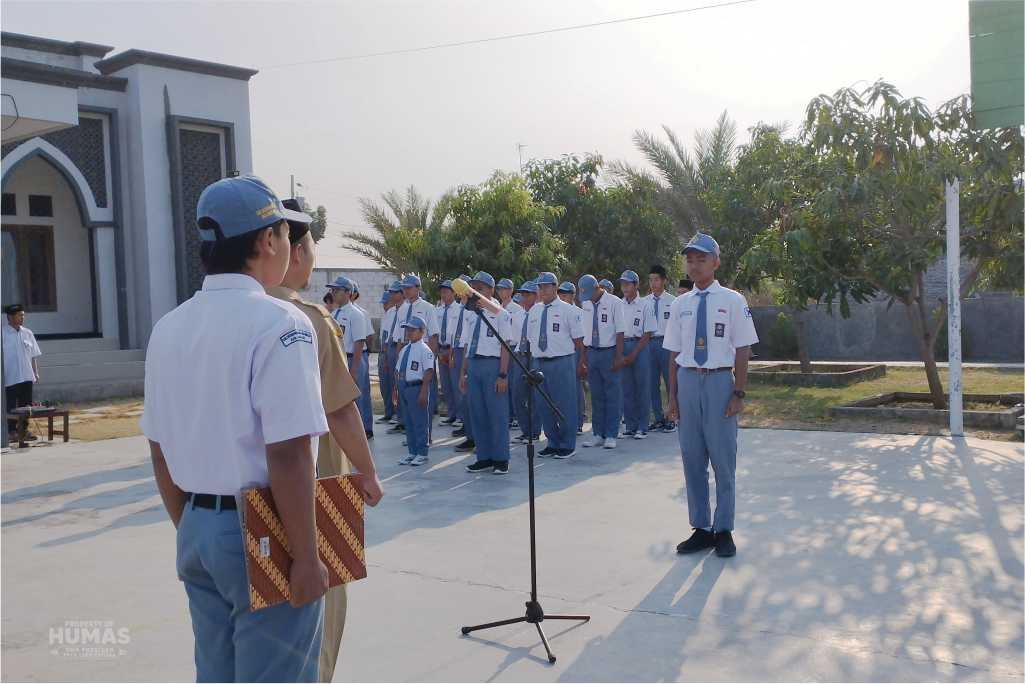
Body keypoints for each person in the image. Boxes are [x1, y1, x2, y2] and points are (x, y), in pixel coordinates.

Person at [141, 175, 328, 681]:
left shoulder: (170, 327)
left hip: (197, 525)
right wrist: (307, 558)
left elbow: (159, 450)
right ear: (267, 241)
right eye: (288, 235)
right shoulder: (281, 323)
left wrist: (199, 527)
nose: (290, 247)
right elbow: (288, 453)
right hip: (263, 528)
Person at [267, 200, 384, 681]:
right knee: (318, 629)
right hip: (315, 495)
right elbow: (340, 409)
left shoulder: (213, 316)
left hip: (244, 501)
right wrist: (369, 472)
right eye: (312, 246)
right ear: (293, 252)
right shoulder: (309, 319)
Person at [665, 232, 758, 559]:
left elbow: (743, 349)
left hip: (720, 383)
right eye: (689, 259)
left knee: (722, 459)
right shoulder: (680, 304)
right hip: (689, 381)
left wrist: (738, 392)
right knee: (692, 458)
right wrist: (673, 397)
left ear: (715, 262)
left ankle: (724, 529)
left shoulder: (733, 301)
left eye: (701, 259)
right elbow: (673, 353)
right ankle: (701, 528)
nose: (694, 265)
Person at [459, 271, 513, 474]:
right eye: (473, 288)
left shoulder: (501, 314)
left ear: (491, 290)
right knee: (478, 414)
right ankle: (484, 456)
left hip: (492, 366)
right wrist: (463, 373)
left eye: (480, 288)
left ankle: (501, 458)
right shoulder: (469, 313)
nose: (476, 291)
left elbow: (505, 346)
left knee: (497, 414)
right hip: (474, 365)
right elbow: (466, 345)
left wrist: (503, 375)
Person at [527, 273, 585, 458]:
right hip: (540, 362)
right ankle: (552, 442)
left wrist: (581, 363)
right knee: (544, 405)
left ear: (555, 287)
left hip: (562, 361)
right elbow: (531, 338)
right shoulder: (534, 311)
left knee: (565, 404)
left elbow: (579, 341)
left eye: (546, 286)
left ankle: (567, 444)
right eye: (540, 287)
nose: (542, 290)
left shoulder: (569, 310)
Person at [578, 274, 626, 449]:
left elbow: (620, 331)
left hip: (609, 351)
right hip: (592, 352)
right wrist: (583, 357)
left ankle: (611, 434)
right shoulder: (586, 304)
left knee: (612, 394)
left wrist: (619, 356)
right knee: (596, 395)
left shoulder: (614, 302)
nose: (587, 298)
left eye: (589, 293)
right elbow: (585, 332)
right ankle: (598, 433)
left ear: (598, 288)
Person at [328, 277, 374, 439]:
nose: (333, 293)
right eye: (332, 290)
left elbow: (359, 342)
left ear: (348, 293)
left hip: (353, 358)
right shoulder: (334, 314)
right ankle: (348, 430)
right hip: (340, 360)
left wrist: (354, 370)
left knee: (358, 397)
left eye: (337, 290)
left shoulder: (356, 314)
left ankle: (362, 431)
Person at [393, 275, 440, 433]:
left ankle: (425, 435)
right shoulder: (402, 309)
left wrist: (430, 361)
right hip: (406, 352)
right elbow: (399, 337)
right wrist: (399, 359)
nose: (405, 291)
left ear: (418, 288)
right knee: (407, 395)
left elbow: (433, 335)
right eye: (404, 288)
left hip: (421, 351)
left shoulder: (428, 308)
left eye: (409, 287)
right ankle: (411, 432)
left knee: (423, 395)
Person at [618, 270, 657, 439]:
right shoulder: (618, 304)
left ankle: (642, 426)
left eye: (628, 284)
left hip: (640, 346)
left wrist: (634, 353)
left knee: (642, 387)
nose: (625, 287)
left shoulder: (645, 305)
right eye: (623, 284)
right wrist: (619, 353)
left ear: (636, 285)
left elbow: (647, 333)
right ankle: (631, 425)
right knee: (627, 388)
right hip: (623, 345)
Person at [394, 315, 435, 466]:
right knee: (409, 422)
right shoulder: (405, 349)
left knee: (420, 422)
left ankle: (422, 452)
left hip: (417, 387)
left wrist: (424, 391)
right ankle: (412, 452)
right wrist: (396, 389)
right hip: (404, 387)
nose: (409, 332)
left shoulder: (425, 350)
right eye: (407, 329)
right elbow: (398, 370)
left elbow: (429, 371)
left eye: (412, 329)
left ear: (422, 331)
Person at [646, 265, 677, 433]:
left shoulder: (673, 301)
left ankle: (671, 417)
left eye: (656, 279)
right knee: (652, 383)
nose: (653, 283)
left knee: (670, 381)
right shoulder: (644, 302)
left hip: (667, 343)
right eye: (650, 280)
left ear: (664, 280)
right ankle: (657, 418)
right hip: (650, 343)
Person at [3, 304, 41, 439]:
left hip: (26, 376)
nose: (22, 317)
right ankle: (11, 432)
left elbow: (33, 355)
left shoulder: (28, 333)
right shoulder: (3, 334)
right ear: (10, 317)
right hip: (10, 377)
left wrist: (35, 373)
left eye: (23, 315)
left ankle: (24, 431)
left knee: (27, 406)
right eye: (20, 315)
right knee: (11, 407)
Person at [510, 280, 541, 444]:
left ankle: (535, 431)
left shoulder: (539, 312)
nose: (523, 297)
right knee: (517, 394)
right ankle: (525, 430)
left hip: (534, 355)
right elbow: (513, 338)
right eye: (522, 294)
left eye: (527, 294)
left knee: (535, 395)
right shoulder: (517, 315)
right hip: (520, 355)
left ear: (536, 296)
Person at [558, 282, 587, 435]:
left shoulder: (578, 312)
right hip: (562, 353)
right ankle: (565, 420)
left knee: (576, 387)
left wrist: (583, 360)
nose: (562, 296)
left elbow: (582, 339)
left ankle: (579, 421)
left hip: (575, 351)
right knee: (562, 389)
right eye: (560, 293)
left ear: (573, 295)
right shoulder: (558, 310)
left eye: (565, 294)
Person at [451, 274, 474, 449]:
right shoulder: (457, 307)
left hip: (470, 352)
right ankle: (468, 430)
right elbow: (454, 333)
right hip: (457, 350)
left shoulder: (475, 309)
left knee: (470, 396)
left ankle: (474, 435)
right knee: (461, 393)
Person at [435, 280, 462, 426]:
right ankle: (451, 414)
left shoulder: (459, 310)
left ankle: (460, 416)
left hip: (453, 350)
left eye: (446, 291)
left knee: (455, 383)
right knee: (445, 385)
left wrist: (450, 354)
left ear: (454, 293)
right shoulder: (437, 310)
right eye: (442, 291)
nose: (443, 294)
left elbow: (456, 333)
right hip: (441, 349)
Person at [496, 278, 522, 429]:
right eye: (499, 289)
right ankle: (508, 415)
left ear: (511, 290)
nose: (501, 292)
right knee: (503, 383)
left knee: (512, 383)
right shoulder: (496, 307)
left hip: (512, 348)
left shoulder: (516, 309)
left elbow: (518, 332)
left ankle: (516, 416)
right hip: (499, 348)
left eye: (504, 289)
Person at [379, 281, 404, 426]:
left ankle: (399, 415)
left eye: (395, 293)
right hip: (388, 348)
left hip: (399, 347)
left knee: (398, 382)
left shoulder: (407, 309)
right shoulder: (390, 313)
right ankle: (390, 412)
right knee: (387, 383)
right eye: (392, 293)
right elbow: (385, 333)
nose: (392, 295)